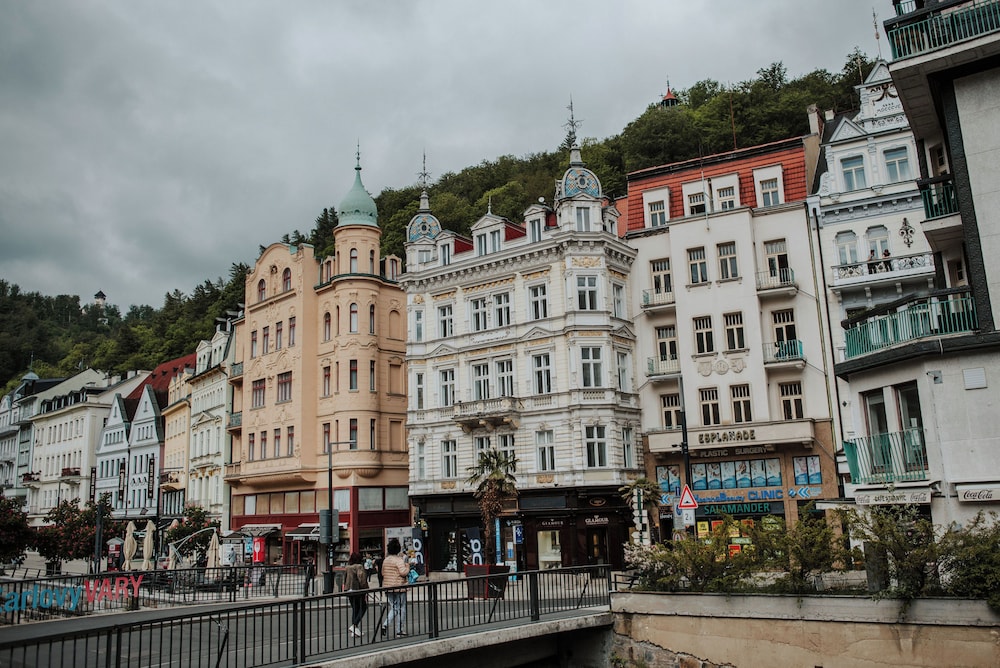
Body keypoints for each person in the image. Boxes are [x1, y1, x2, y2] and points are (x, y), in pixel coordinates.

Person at [380, 538, 411, 637]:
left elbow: (382, 573)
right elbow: (403, 572)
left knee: (394, 607)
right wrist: (407, 566)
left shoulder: (386, 560)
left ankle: (385, 624)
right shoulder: (399, 560)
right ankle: (399, 630)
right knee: (402, 608)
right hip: (399, 586)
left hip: (388, 587)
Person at [344, 552, 369, 637]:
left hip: (349, 590)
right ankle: (354, 625)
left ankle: (354, 630)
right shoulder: (359, 567)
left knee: (355, 609)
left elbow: (345, 579)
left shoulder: (348, 567)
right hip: (358, 590)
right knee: (363, 607)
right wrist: (366, 589)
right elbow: (362, 579)